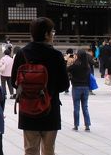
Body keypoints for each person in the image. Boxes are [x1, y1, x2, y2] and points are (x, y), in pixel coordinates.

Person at [11, 17, 69, 155]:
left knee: (30, 150)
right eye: (52, 32)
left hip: (28, 109)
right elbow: (64, 85)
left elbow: (14, 81)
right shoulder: (56, 55)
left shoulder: (22, 53)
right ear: (46, 34)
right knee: (49, 150)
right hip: (50, 108)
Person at [67, 50, 92, 131]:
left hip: (76, 87)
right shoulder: (87, 66)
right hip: (85, 87)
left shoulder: (75, 65)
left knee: (76, 107)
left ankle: (76, 125)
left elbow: (67, 69)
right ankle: (87, 125)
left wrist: (69, 61)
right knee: (85, 107)